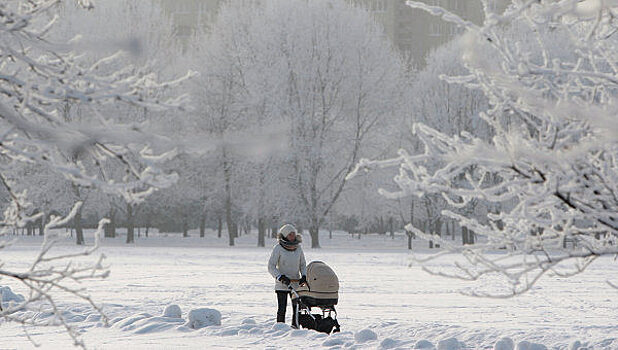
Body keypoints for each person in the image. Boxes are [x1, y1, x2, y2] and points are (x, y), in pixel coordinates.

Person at [268, 224, 307, 328]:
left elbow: (303, 264)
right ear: (285, 235)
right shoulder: (278, 248)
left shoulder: (298, 248)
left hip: (295, 283)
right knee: (282, 308)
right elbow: (271, 266)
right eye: (290, 234)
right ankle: (280, 328)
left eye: (294, 234)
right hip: (282, 284)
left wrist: (304, 276)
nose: (293, 236)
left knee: (297, 308)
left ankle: (295, 327)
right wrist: (280, 277)